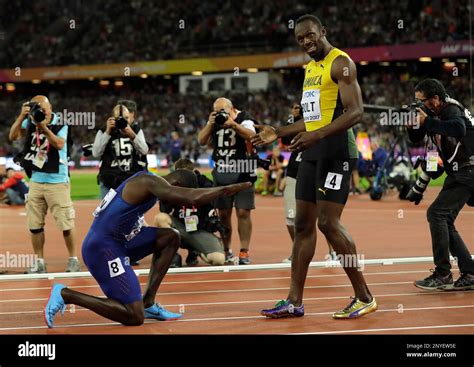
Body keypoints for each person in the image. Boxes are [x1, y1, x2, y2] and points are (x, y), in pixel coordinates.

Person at [252, 14, 377, 319]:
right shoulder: (310, 69)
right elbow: (313, 117)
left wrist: (316, 136)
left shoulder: (341, 63)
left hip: (335, 153)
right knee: (303, 225)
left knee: (328, 223)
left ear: (323, 31)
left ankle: (364, 297)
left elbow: (356, 112)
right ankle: (294, 301)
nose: (306, 42)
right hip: (312, 151)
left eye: (310, 35)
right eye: (300, 39)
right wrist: (279, 132)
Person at [44, 170, 251, 328]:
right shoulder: (148, 181)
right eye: (176, 195)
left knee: (170, 237)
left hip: (119, 242)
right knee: (134, 316)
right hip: (102, 248)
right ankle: (66, 294)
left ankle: (149, 302)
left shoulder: (149, 184)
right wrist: (225, 190)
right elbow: (192, 198)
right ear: (176, 184)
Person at [407, 78, 474, 291]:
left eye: (422, 101)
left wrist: (426, 121)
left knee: (437, 214)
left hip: (468, 171)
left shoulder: (451, 109)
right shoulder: (436, 114)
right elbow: (427, 149)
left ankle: (443, 274)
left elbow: (458, 129)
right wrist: (412, 125)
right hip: (460, 172)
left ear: (435, 99)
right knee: (443, 219)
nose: (419, 105)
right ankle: (470, 273)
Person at [9, 96, 79, 273]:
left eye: (45, 110)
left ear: (51, 108)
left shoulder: (61, 124)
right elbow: (13, 136)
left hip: (57, 180)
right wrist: (21, 116)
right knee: (34, 225)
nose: (43, 113)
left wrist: (43, 127)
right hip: (36, 181)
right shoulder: (30, 121)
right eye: (39, 110)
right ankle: (39, 262)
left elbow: (59, 143)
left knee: (66, 224)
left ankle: (73, 259)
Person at [197, 97, 257, 265]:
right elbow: (201, 141)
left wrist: (234, 125)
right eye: (216, 112)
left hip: (244, 171)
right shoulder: (215, 121)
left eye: (222, 112)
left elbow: (252, 136)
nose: (220, 115)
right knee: (223, 214)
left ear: (232, 110)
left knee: (243, 212)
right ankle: (226, 249)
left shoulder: (244, 118)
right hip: (222, 171)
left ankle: (244, 251)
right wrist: (210, 124)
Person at [158, 158, 226, 267]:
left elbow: (216, 203)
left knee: (218, 260)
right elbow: (164, 210)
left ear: (193, 172)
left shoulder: (205, 183)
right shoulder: (172, 185)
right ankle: (172, 255)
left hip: (200, 231)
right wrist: (168, 193)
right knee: (160, 218)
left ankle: (196, 251)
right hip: (180, 229)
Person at [93, 101, 149, 199]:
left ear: (131, 116)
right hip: (109, 181)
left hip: (131, 180)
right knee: (108, 213)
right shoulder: (103, 131)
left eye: (126, 118)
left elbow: (144, 150)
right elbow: (96, 153)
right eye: (120, 118)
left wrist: (132, 134)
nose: (124, 121)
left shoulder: (135, 130)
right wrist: (107, 132)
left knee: (132, 213)